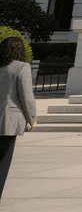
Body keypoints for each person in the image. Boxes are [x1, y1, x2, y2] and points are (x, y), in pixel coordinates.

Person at [1, 36, 37, 201]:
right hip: (9, 122)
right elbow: (26, 95)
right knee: (3, 164)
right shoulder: (21, 67)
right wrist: (32, 118)